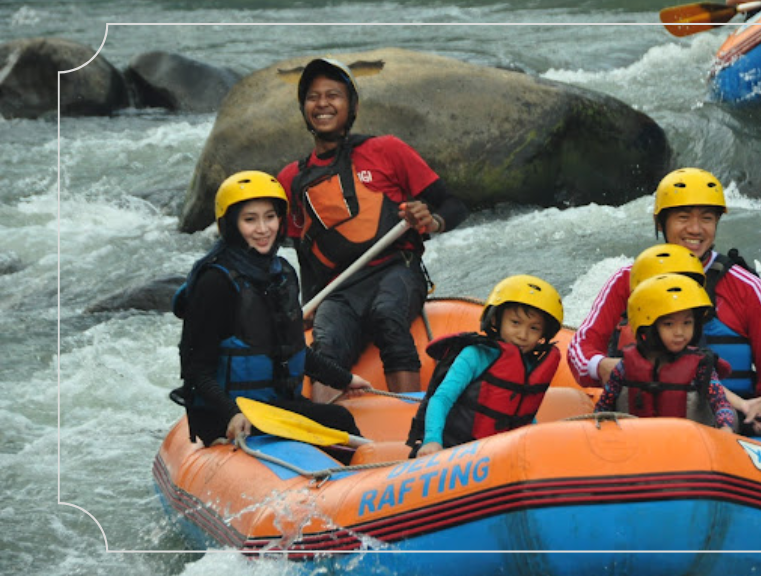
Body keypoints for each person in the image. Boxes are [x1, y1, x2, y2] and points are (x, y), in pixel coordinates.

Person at [277, 57, 468, 393]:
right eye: (313, 96)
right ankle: (326, 432)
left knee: (387, 315)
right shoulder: (291, 178)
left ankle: (410, 420)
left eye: (333, 95)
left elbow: (454, 204)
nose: (322, 103)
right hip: (340, 289)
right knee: (327, 344)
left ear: (351, 106)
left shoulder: (386, 151)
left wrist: (433, 220)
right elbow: (303, 254)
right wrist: (310, 303)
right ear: (303, 107)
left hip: (397, 269)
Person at [569, 167, 761, 433]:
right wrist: (602, 366)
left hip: (727, 430)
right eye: (683, 217)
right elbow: (579, 350)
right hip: (637, 428)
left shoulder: (748, 288)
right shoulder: (626, 280)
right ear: (660, 223)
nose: (695, 229)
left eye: (707, 218)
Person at [172, 170, 370, 447]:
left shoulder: (283, 274)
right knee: (338, 419)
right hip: (225, 414)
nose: (263, 229)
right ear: (230, 224)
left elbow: (293, 349)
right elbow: (196, 371)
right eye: (250, 220)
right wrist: (232, 412)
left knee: (336, 419)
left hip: (272, 406)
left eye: (270, 217)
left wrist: (345, 379)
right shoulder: (214, 282)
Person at [406, 275, 564, 458]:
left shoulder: (528, 367)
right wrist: (432, 440)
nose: (523, 335)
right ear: (496, 320)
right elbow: (441, 399)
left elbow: (522, 414)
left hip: (496, 455)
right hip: (452, 451)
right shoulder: (475, 355)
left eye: (534, 328)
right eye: (515, 323)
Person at [594, 274, 736, 431]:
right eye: (669, 324)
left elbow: (720, 403)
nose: (680, 332)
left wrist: (725, 427)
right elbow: (603, 408)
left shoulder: (700, 366)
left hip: (689, 447)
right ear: (649, 328)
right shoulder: (624, 367)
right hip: (638, 445)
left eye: (687, 323)